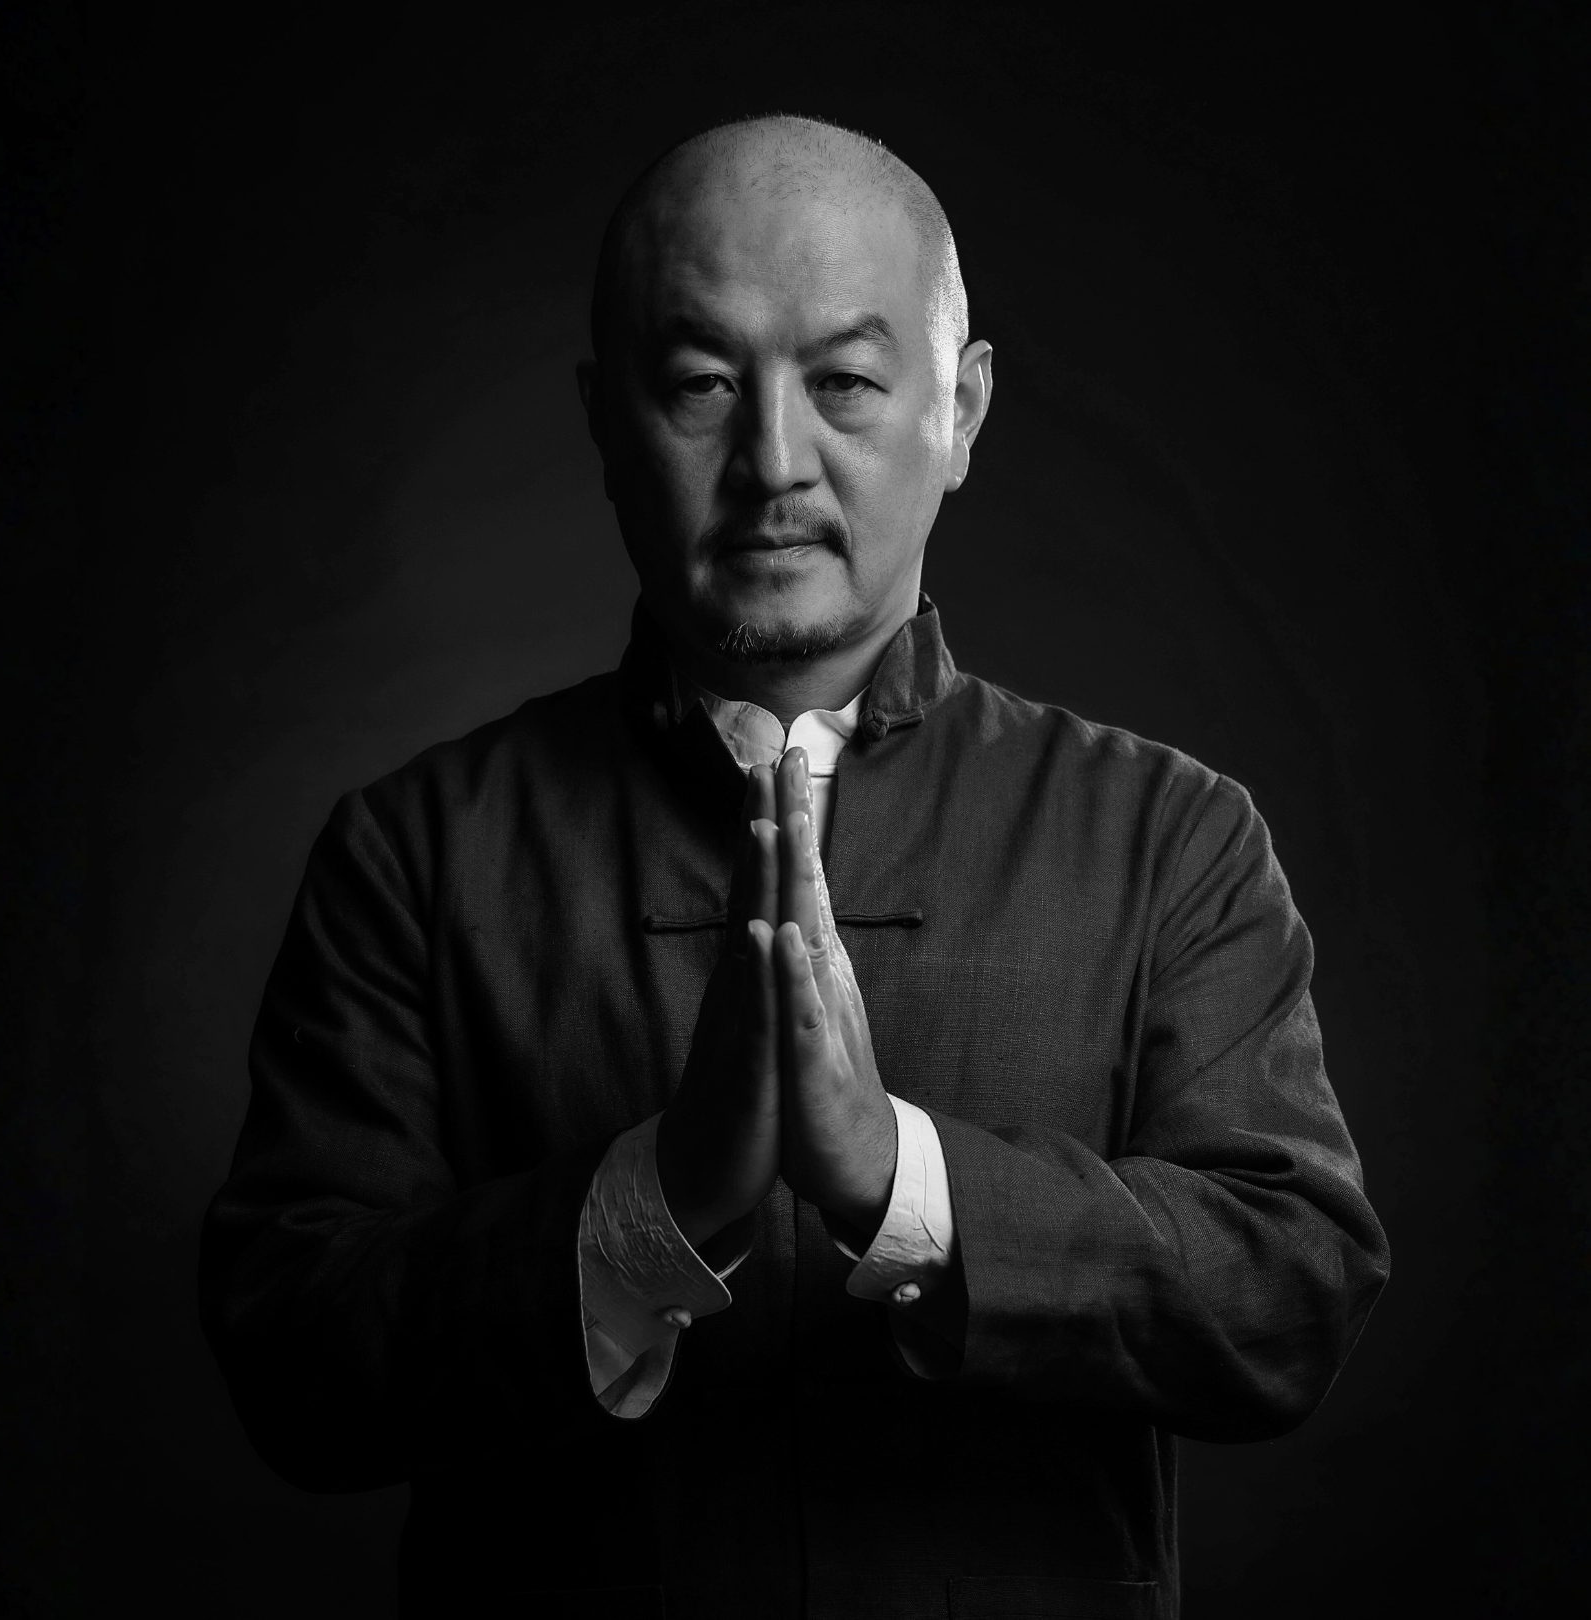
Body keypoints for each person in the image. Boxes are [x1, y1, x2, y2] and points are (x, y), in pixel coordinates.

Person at [200, 114, 1390, 1620]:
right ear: (605, 417)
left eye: (843, 382)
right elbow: (290, 1359)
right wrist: (654, 1196)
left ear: (959, 412)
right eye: (701, 383)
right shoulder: (415, 852)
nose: (773, 462)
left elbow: (1290, 1293)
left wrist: (904, 1182)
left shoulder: (1170, 837)